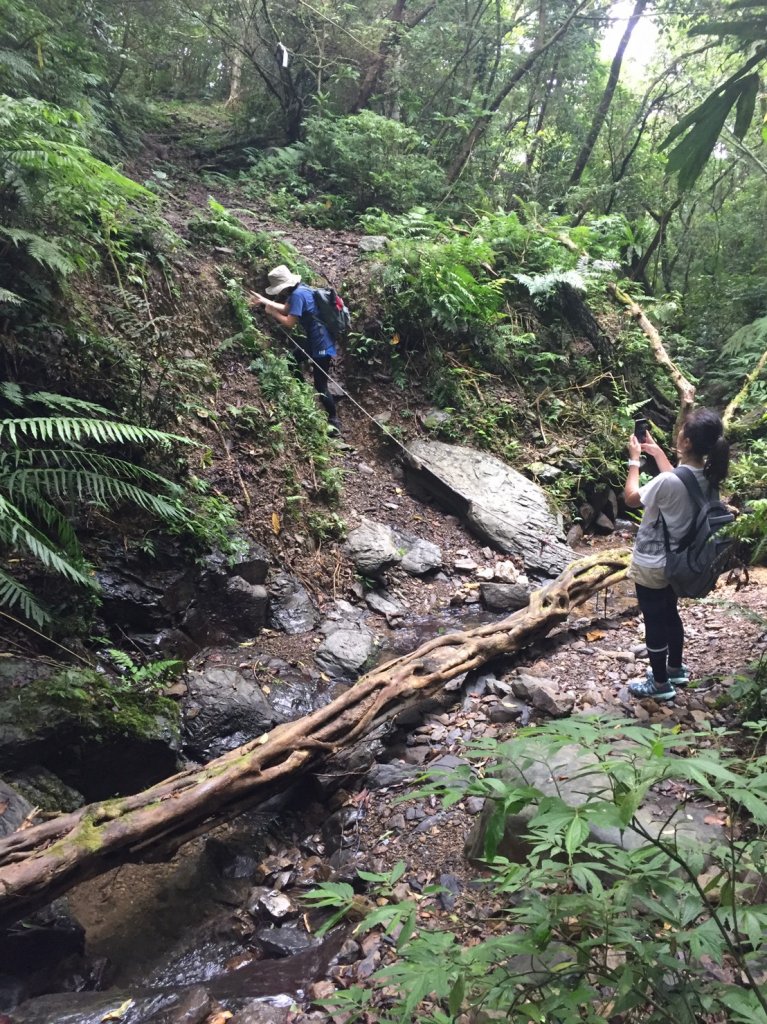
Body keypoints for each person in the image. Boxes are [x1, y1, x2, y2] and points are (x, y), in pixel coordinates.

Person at [624, 408, 730, 700]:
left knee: (654, 619)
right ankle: (675, 669)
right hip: (681, 561)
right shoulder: (709, 476)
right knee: (670, 612)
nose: (679, 432)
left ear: (687, 442)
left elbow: (632, 498)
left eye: (682, 429)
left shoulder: (668, 482)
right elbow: (681, 480)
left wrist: (635, 460)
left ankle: (659, 685)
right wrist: (658, 454)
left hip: (653, 562)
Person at [251, 264, 341, 434]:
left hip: (321, 343)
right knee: (292, 361)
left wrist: (271, 313)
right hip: (315, 340)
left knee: (321, 385)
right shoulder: (301, 290)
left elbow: (289, 323)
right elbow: (286, 309)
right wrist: (264, 301)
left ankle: (334, 421)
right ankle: (303, 393)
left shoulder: (297, 295)